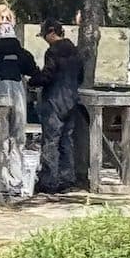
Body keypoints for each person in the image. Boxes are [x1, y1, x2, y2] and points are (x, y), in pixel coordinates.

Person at [0, 20, 39, 195]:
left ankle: (0, 180)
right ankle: (17, 180)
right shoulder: (23, 54)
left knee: (0, 139)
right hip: (19, 97)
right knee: (18, 138)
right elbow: (34, 72)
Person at [31, 20, 85, 194]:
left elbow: (48, 75)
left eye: (45, 35)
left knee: (50, 141)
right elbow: (81, 76)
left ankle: (49, 181)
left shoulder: (53, 51)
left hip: (53, 100)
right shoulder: (75, 51)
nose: (44, 39)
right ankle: (67, 178)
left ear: (52, 32)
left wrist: (33, 80)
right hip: (71, 100)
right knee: (66, 140)